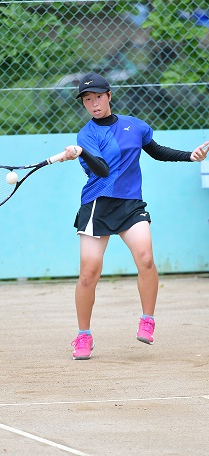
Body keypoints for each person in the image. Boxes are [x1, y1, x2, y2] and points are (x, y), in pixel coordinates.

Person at [60, 72, 209, 361]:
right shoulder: (86, 135)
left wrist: (190, 156)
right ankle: (83, 336)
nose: (94, 104)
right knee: (89, 274)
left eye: (98, 97)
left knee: (146, 258)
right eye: (87, 100)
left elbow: (155, 151)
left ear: (109, 96)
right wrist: (80, 152)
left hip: (130, 205)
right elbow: (102, 171)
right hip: (97, 205)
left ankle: (147, 320)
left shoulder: (135, 126)